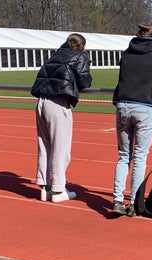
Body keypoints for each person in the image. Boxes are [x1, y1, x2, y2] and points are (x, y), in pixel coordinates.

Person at [111, 24, 152, 216]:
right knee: (140, 156)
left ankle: (118, 200)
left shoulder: (127, 52)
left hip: (122, 105)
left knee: (124, 156)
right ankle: (135, 203)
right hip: (143, 106)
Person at [31, 33, 92, 202]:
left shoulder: (56, 54)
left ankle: (45, 188)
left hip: (42, 102)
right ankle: (58, 190)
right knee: (61, 148)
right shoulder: (79, 56)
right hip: (58, 103)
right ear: (83, 46)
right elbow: (85, 82)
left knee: (44, 146)